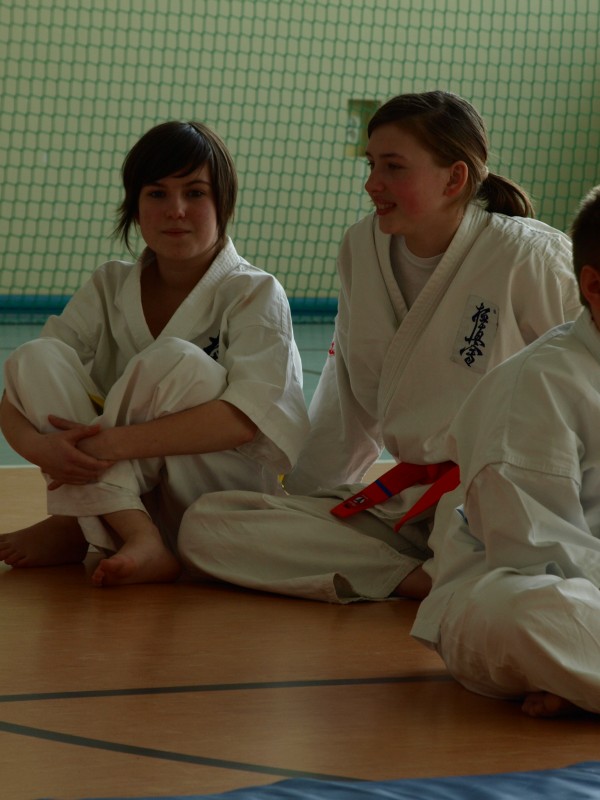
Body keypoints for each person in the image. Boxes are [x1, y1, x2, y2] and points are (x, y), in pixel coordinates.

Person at [173, 90, 581, 602]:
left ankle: (454, 569)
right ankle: (418, 579)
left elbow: (586, 391)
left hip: (502, 501)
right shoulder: (362, 247)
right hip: (412, 503)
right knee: (208, 525)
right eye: (372, 164)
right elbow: (348, 401)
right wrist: (300, 500)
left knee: (502, 544)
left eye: (393, 167)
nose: (372, 184)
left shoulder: (530, 257)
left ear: (454, 178)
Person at [0, 120, 309, 586]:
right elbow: (18, 392)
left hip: (210, 496)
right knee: (33, 357)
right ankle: (111, 528)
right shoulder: (109, 284)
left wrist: (105, 446)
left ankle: (82, 521)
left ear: (224, 203)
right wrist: (40, 449)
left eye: (195, 193)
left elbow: (246, 420)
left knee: (174, 361)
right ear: (135, 206)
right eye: (157, 194)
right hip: (121, 493)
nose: (175, 210)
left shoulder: (253, 292)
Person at [411, 184, 600, 717]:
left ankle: (577, 686)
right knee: (538, 613)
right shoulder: (537, 386)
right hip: (519, 589)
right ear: (594, 286)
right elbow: (539, 553)